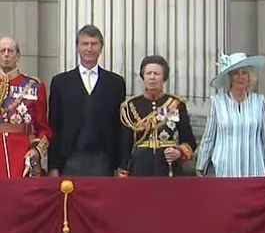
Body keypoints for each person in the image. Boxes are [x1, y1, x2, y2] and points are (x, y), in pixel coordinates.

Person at [48, 25, 127, 177]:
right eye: (85, 44)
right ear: (77, 47)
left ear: (101, 47)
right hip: (70, 158)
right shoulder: (61, 82)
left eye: (94, 44)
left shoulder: (115, 82)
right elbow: (54, 125)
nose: (89, 49)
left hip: (104, 159)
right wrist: (54, 165)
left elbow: (120, 127)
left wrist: (120, 165)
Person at [195, 53, 265, 177]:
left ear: (249, 77)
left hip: (254, 168)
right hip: (225, 169)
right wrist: (201, 167)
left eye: (244, 73)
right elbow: (209, 137)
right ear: (229, 78)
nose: (240, 77)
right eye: (236, 73)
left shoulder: (259, 101)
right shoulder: (217, 102)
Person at [118, 55, 197, 177]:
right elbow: (125, 143)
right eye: (148, 73)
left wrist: (179, 152)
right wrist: (123, 170)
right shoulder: (131, 106)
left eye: (156, 74)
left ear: (164, 78)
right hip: (140, 167)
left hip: (169, 168)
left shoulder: (176, 104)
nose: (152, 77)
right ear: (143, 77)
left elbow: (189, 140)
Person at [0, 37, 51, 178]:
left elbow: (43, 128)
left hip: (22, 155)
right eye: (2, 51)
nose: (6, 55)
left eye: (10, 51)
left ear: (18, 55)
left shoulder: (34, 86)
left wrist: (37, 151)